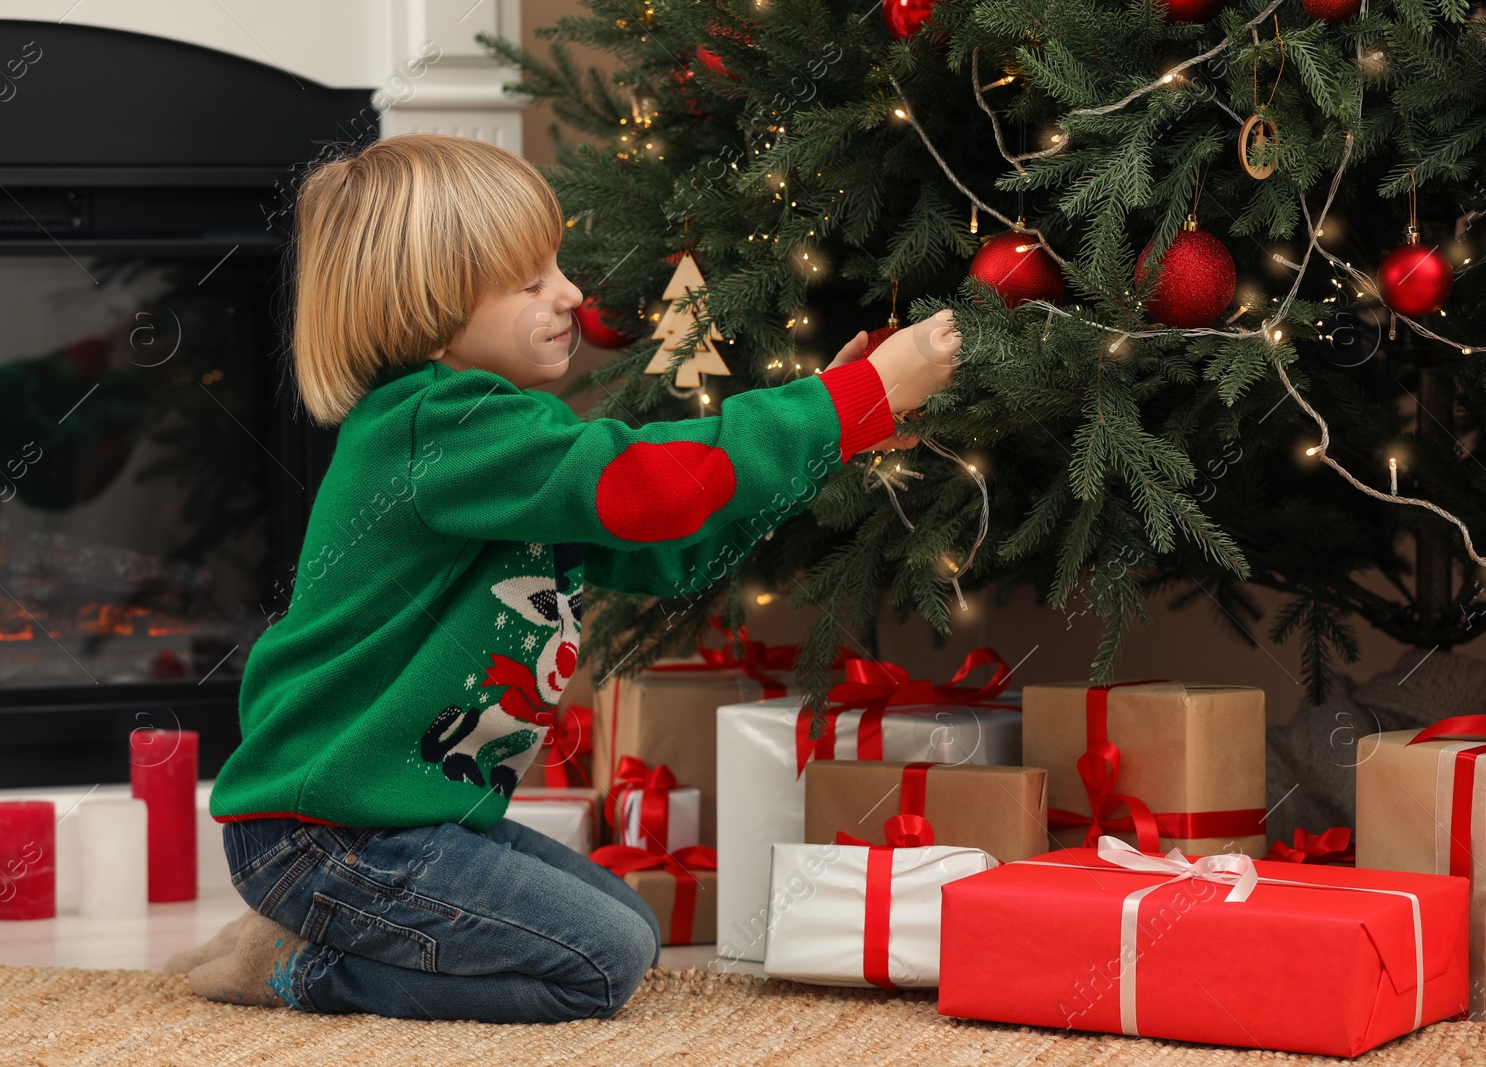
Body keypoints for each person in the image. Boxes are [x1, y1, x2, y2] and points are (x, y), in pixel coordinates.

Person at [165, 133, 961, 1022]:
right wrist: (849, 401)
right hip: (330, 834)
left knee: (626, 927)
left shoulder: (496, 439)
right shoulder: (439, 425)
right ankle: (299, 966)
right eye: (531, 280)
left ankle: (321, 936)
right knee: (598, 963)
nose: (573, 294)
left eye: (558, 267)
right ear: (429, 303)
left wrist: (830, 441)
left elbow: (673, 548)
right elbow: (648, 486)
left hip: (400, 822)